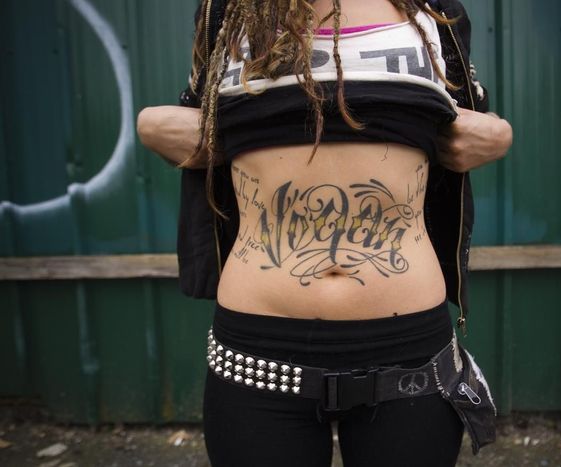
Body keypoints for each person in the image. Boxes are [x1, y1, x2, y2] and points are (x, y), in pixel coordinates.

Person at [137, 0, 511, 465]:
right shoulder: (228, 12)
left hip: (410, 348)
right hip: (259, 352)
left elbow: (469, 124)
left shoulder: (432, 12)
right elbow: (194, 119)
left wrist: (499, 133)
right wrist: (151, 124)